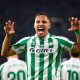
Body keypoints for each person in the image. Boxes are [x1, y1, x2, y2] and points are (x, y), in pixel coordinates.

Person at [1, 12, 80, 80]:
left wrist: (78, 32)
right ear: (34, 25)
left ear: (49, 25)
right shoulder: (26, 41)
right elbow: (5, 53)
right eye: (37, 22)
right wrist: (8, 36)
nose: (40, 24)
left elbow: (78, 49)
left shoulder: (59, 41)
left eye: (44, 22)